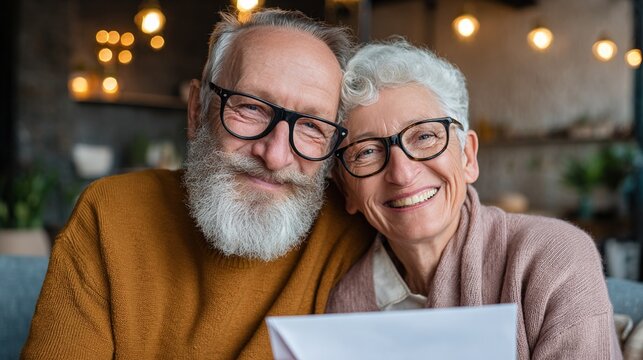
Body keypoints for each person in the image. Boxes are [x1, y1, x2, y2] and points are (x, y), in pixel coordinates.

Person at [22, 9, 375, 358]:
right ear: (196, 110)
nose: (276, 155)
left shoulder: (354, 232)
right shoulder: (110, 213)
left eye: (312, 126)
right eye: (251, 108)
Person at [326, 39, 622, 359]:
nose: (402, 173)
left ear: (467, 156)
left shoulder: (553, 257)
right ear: (346, 189)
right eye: (367, 151)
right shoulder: (343, 304)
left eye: (424, 136)